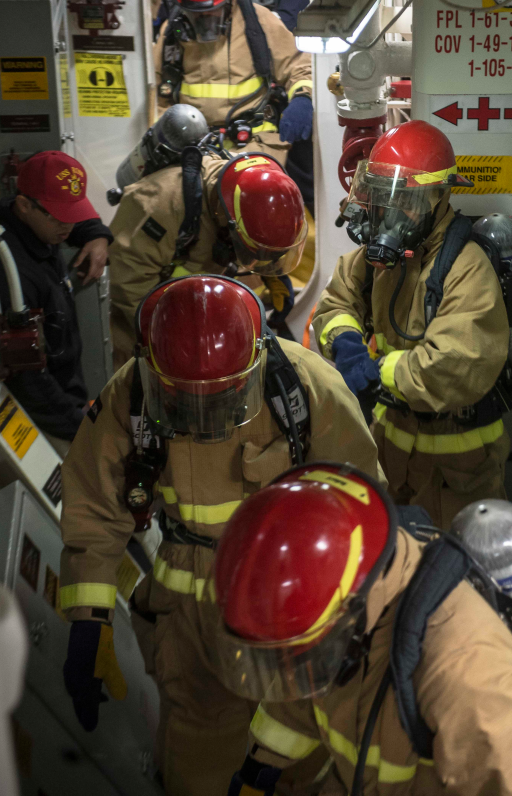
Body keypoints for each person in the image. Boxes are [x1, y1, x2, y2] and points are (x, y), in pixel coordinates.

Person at [59, 274, 385, 796]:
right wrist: (89, 617)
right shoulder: (134, 391)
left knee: (293, 756)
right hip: (189, 625)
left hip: (286, 611)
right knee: (194, 765)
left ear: (255, 359)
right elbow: (94, 505)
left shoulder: (304, 389)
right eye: (185, 401)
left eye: (222, 399)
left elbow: (361, 507)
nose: (205, 418)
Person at [202, 462, 512, 796]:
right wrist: (259, 773)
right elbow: (297, 697)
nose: (285, 667)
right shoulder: (327, 630)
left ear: (349, 611)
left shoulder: (465, 672)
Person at [313, 120, 510, 529]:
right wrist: (347, 343)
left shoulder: (466, 268)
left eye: (403, 199)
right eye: (381, 198)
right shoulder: (376, 261)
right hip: (388, 446)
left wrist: (378, 371)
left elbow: (453, 363)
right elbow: (334, 304)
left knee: (452, 571)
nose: (386, 214)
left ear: (438, 198)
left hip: (457, 466)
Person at [108, 152, 308, 371]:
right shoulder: (159, 206)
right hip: (144, 322)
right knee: (139, 384)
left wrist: (270, 269)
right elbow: (128, 284)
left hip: (196, 309)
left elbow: (251, 237)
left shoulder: (254, 187)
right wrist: (166, 334)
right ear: (229, 221)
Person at [154, 0, 314, 213]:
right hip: (193, 150)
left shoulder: (258, 22)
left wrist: (303, 97)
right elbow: (159, 91)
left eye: (211, 12)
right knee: (174, 209)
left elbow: (299, 66)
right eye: (195, 14)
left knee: (254, 212)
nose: (204, 21)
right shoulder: (172, 32)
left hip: (254, 145)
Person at [0, 151, 112, 455]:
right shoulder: (7, 271)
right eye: (59, 216)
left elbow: (74, 221)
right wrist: (77, 425)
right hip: (42, 417)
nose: (68, 227)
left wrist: (97, 236)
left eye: (74, 214)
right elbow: (25, 377)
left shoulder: (38, 225)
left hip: (68, 394)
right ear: (24, 205)